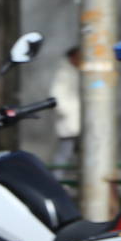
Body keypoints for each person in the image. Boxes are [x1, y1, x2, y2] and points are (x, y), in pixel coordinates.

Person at [51, 46, 81, 180]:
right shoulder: (64, 73)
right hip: (70, 122)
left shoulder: (76, 72)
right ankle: (57, 180)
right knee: (64, 154)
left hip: (79, 122)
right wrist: (67, 112)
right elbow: (56, 96)